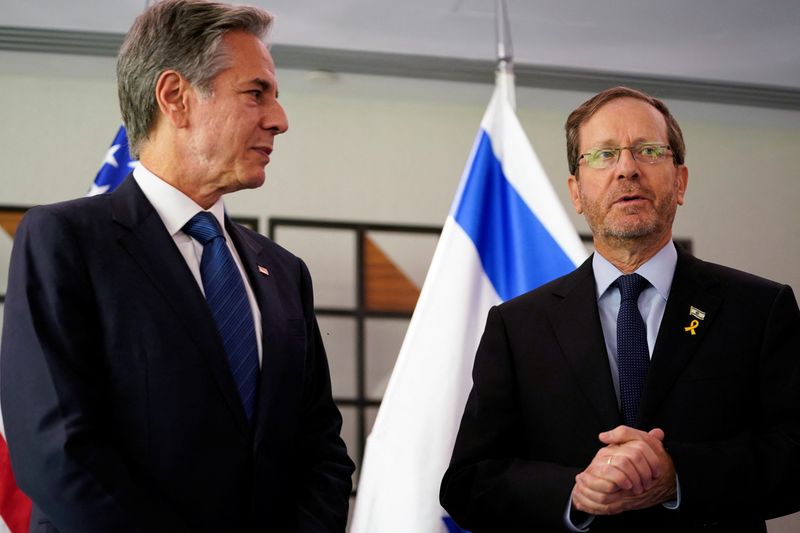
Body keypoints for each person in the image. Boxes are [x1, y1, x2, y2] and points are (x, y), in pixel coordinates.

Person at [0, 1, 354, 532]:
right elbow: (58, 450)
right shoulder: (66, 241)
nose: (279, 119)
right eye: (256, 92)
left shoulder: (283, 272)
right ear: (175, 97)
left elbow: (321, 450)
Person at [440, 86, 800, 532]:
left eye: (648, 151)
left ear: (680, 181)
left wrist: (677, 476)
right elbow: (469, 481)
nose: (627, 169)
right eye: (604, 155)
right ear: (576, 191)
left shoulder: (759, 309)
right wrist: (573, 491)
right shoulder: (518, 326)